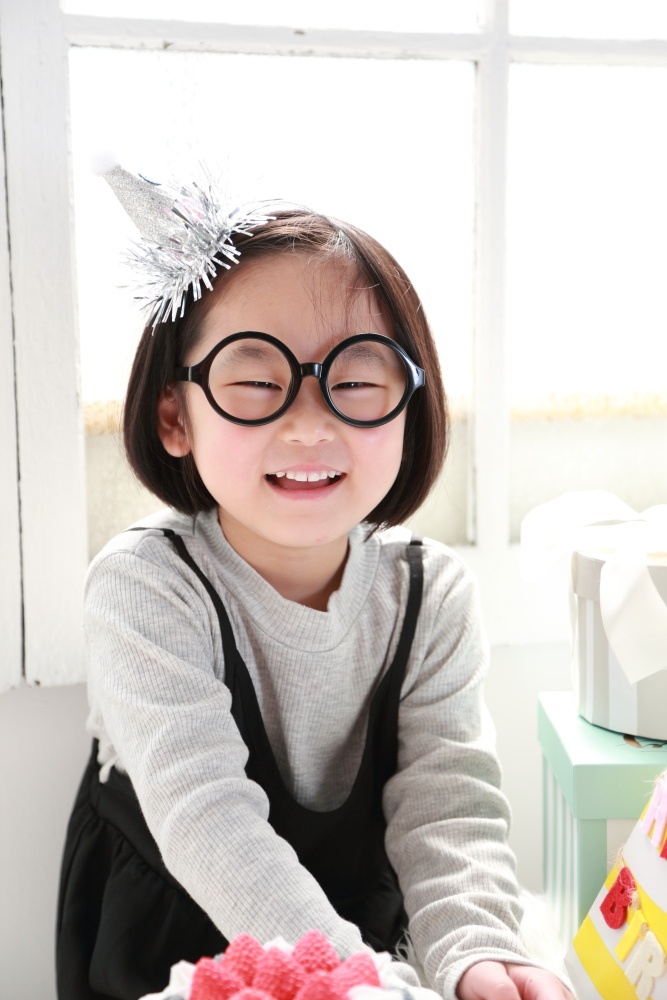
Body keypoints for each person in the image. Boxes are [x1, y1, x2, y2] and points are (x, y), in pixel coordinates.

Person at [56, 167, 573, 1000]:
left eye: (357, 381)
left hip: (362, 933)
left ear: (409, 405)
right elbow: (208, 820)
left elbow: (447, 804)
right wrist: (357, 982)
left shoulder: (429, 592)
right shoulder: (144, 585)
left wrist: (478, 950)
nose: (308, 423)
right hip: (178, 944)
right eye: (256, 381)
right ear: (175, 417)